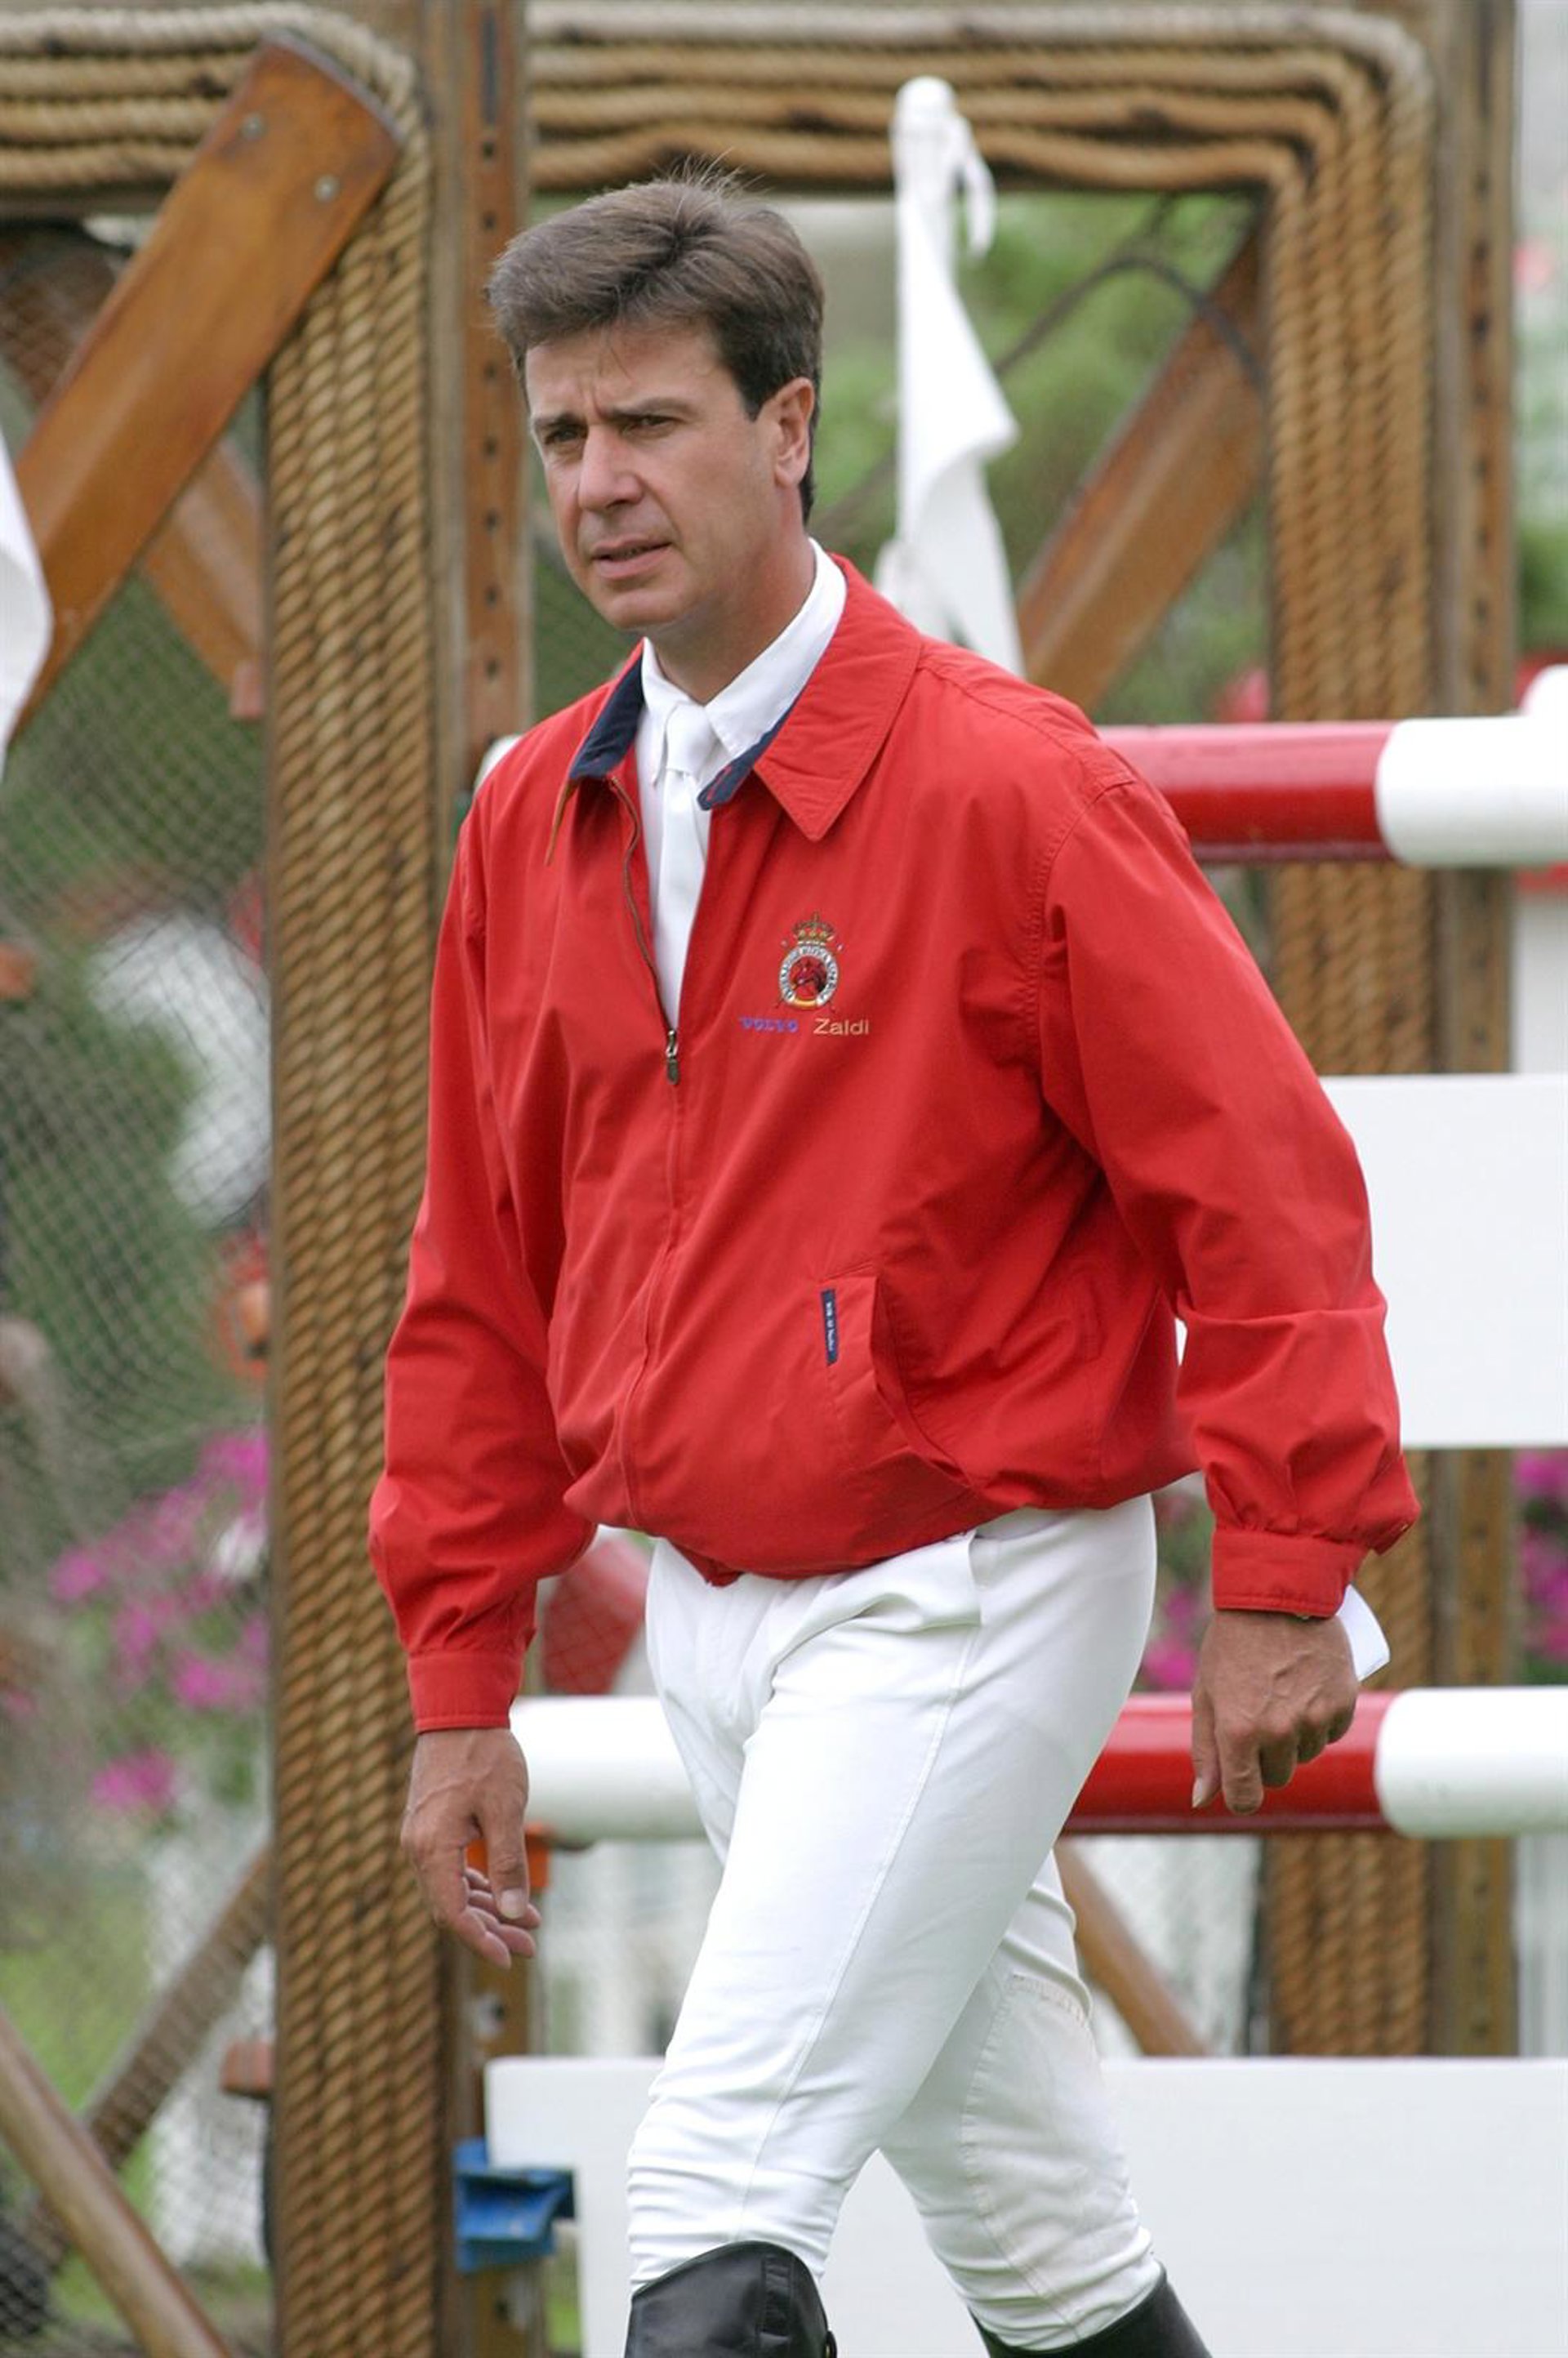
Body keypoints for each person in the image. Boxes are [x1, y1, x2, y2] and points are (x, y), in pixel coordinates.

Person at [370, 172, 1417, 2358]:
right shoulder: (527, 811)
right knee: (1042, 2247)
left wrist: (1287, 1567)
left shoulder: (1012, 785)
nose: (598, 483)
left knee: (711, 2201)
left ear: (790, 429)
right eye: (561, 436)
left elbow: (1265, 1190)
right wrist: (463, 1677)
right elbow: (480, 1274)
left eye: (650, 424)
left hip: (967, 1587)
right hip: (714, 1620)